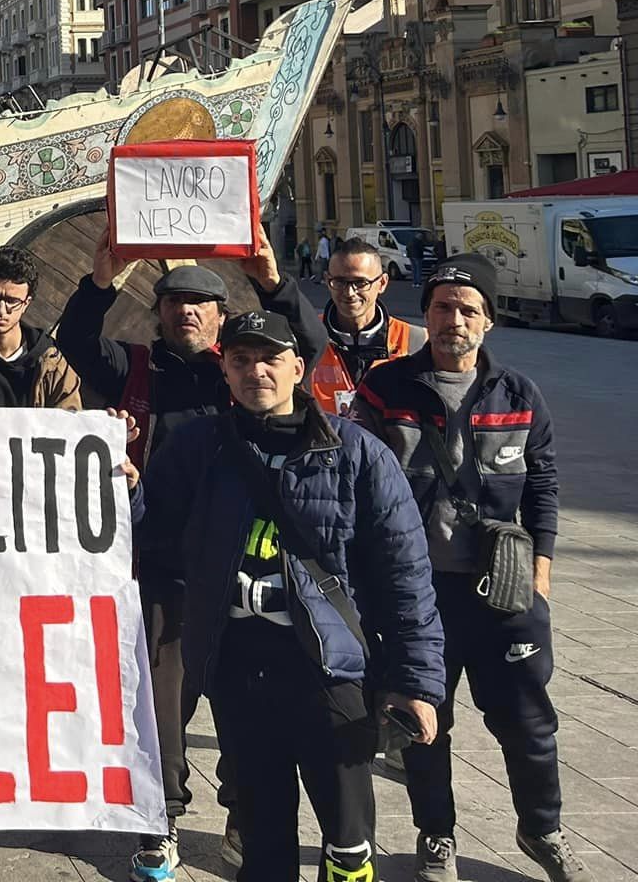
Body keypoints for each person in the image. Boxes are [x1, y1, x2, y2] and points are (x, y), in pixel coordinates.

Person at [56, 212, 321, 880]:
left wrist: (275, 281)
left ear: (221, 313)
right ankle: (162, 820)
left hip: (240, 572)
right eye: (174, 303)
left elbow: (309, 348)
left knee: (243, 702)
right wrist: (101, 279)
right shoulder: (134, 368)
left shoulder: (245, 370)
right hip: (161, 566)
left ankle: (240, 808)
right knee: (161, 707)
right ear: (159, 312)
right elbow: (76, 340)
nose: (186, 314)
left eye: (199, 304)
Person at [137, 310, 443, 882]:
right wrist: (120, 483)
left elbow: (407, 575)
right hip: (236, 666)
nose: (256, 371)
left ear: (298, 368)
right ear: (224, 370)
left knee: (349, 842)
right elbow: (145, 532)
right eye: (241, 360)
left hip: (331, 670)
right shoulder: (197, 447)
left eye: (271, 358)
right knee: (261, 837)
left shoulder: (357, 453)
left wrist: (417, 683)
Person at [352, 255, 586, 882]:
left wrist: (540, 573)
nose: (453, 320)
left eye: (467, 309)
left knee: (529, 721)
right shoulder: (385, 387)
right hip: (416, 595)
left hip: (504, 592)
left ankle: (542, 828)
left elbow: (543, 485)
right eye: (441, 307)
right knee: (424, 721)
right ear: (424, 314)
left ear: (488, 320)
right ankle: (436, 837)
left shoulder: (519, 394)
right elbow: (354, 478)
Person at [0, 246, 82, 408]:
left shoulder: (52, 365)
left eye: (12, 301)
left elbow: (72, 424)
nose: (0, 310)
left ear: (26, 303)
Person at [310, 236, 426, 415]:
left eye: (360, 283)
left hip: (389, 442)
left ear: (382, 283)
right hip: (328, 441)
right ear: (327, 280)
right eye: (340, 282)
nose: (349, 293)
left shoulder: (416, 340)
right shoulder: (307, 334)